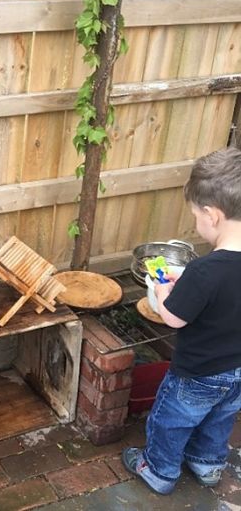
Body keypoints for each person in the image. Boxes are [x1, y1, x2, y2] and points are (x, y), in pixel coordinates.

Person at [122, 147, 241, 495]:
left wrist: (162, 289)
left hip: (197, 373)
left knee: (171, 421)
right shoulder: (205, 272)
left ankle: (159, 470)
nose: (196, 222)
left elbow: (173, 318)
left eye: (195, 215)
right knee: (219, 418)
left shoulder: (205, 270)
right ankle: (207, 465)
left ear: (212, 214)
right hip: (238, 371)